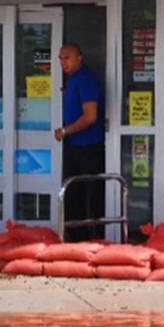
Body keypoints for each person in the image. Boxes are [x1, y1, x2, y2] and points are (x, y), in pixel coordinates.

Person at [55, 42, 105, 241]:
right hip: (75, 146)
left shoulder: (86, 79)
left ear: (79, 58)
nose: (62, 63)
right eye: (60, 58)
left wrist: (66, 130)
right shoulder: (73, 80)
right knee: (73, 195)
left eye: (67, 58)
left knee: (89, 196)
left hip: (88, 148)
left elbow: (90, 116)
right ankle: (75, 238)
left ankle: (93, 238)